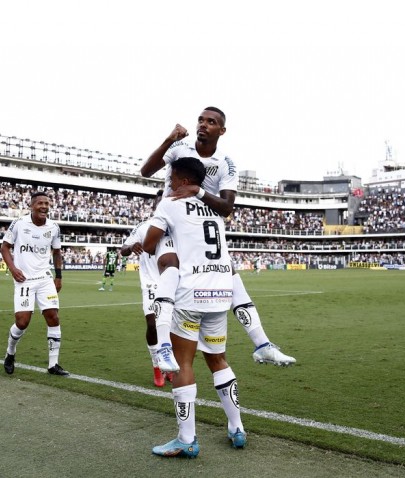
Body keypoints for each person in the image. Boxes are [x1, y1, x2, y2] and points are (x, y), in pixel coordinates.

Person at [141, 106, 296, 368]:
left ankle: (263, 345)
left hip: (200, 227)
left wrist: (198, 192)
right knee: (170, 265)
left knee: (231, 276)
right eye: (200, 120)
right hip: (170, 222)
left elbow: (227, 207)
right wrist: (169, 139)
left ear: (221, 130)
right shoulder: (179, 149)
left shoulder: (226, 164)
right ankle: (163, 349)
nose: (203, 125)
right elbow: (146, 171)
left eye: (210, 122)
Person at [143, 157, 246, 457]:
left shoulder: (170, 204)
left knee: (183, 363)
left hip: (189, 295)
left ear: (181, 179)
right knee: (218, 361)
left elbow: (150, 244)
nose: (170, 183)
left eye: (172, 178)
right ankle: (237, 428)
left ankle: (187, 439)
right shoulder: (215, 208)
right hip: (218, 295)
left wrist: (162, 235)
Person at [1, 191, 69, 377]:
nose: (44, 206)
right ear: (32, 206)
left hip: (45, 279)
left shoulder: (54, 227)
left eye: (47, 203)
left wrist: (59, 276)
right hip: (24, 279)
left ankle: (53, 364)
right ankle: (10, 353)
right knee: (22, 322)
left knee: (53, 316)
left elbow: (56, 252)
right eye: (40, 203)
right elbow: (4, 247)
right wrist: (13, 269)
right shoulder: (19, 224)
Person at [120, 190, 173, 388]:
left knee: (174, 327)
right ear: (155, 205)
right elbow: (123, 251)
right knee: (152, 325)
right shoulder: (143, 228)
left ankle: (170, 364)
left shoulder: (180, 227)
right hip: (151, 283)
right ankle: (157, 366)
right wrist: (132, 246)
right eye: (160, 202)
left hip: (175, 283)